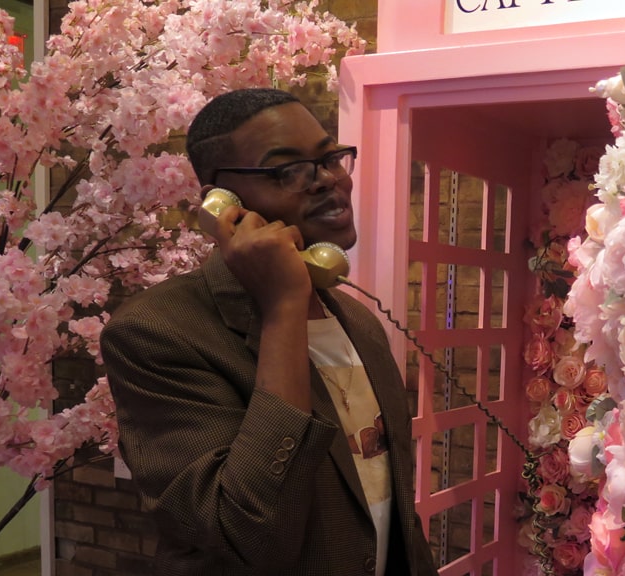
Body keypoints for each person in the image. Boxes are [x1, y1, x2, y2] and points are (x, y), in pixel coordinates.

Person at [100, 88, 439, 576]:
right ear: (222, 203)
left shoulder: (358, 322)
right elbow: (249, 534)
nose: (326, 181)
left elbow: (390, 504)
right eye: (287, 168)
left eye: (329, 158)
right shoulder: (156, 333)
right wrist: (283, 309)